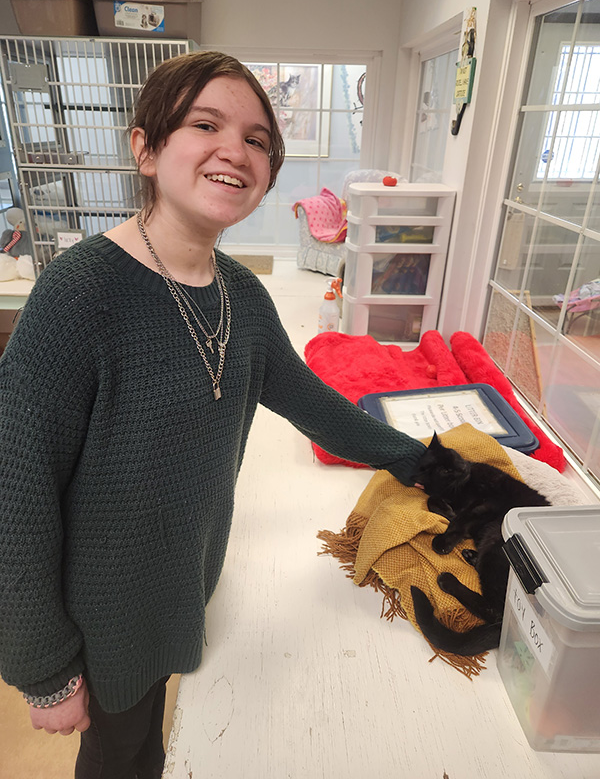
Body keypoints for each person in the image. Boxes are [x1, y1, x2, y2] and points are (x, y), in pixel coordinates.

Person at [0, 51, 427, 778]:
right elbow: (17, 488)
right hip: (106, 615)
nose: (237, 149)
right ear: (146, 147)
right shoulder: (80, 294)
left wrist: (421, 459)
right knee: (123, 753)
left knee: (160, 740)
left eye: (258, 139)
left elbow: (311, 402)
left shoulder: (239, 293)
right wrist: (42, 667)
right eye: (206, 124)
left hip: (184, 585)